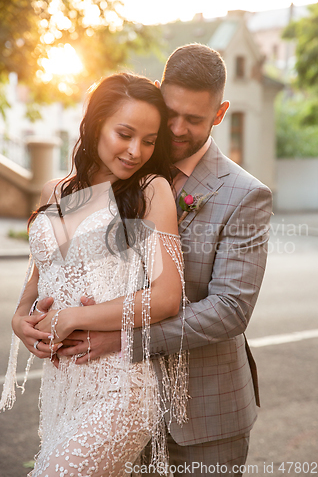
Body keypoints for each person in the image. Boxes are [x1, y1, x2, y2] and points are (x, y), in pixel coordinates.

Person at [11, 44, 272, 476]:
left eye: (194, 118)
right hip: (97, 388)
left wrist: (122, 340)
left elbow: (230, 310)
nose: (176, 127)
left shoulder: (244, 195)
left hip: (202, 415)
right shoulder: (120, 170)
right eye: (170, 112)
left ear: (220, 113)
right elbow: (62, 261)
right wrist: (24, 316)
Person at [0, 73, 189, 476]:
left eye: (149, 140)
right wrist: (20, 318)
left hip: (120, 387)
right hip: (63, 385)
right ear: (95, 124)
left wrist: (73, 317)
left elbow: (167, 295)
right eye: (124, 134)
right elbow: (39, 273)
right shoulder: (53, 190)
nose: (136, 151)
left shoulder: (151, 189)